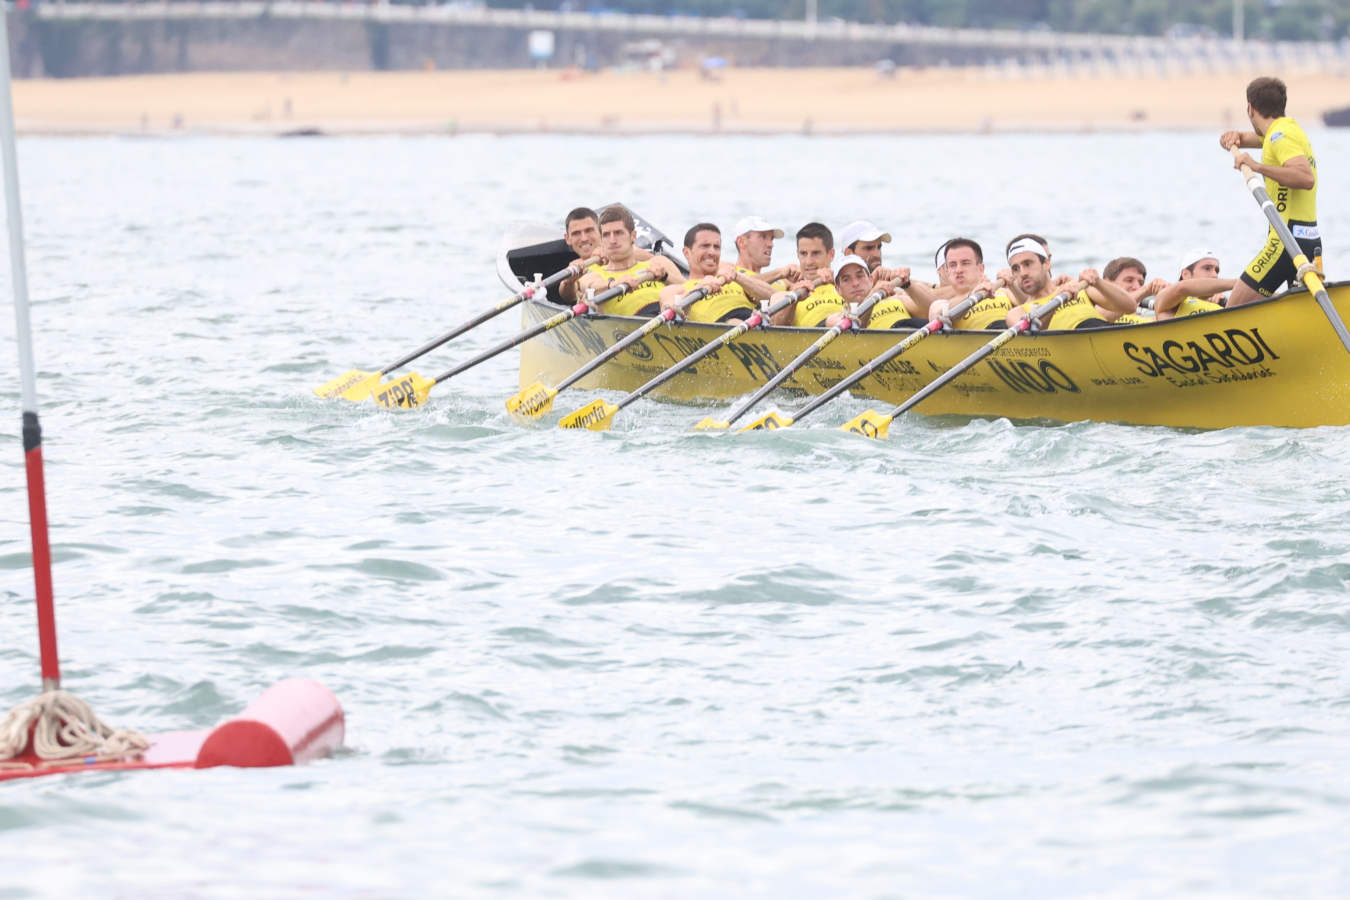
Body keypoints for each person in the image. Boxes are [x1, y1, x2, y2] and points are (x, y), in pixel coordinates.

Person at [1220, 76, 1321, 307]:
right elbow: (1254, 138)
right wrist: (1233, 136)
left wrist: (1255, 166)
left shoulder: (1279, 136)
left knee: (1232, 310)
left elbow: (1305, 178)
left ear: (1250, 108)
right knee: (1299, 316)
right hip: (1308, 240)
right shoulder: (1288, 129)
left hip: (1285, 242)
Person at [1002, 234, 1135, 329]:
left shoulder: (1077, 288)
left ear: (1047, 264)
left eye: (1028, 264)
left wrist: (1099, 283)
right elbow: (1032, 330)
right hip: (1080, 341)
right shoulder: (1017, 313)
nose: (1023, 273)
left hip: (1104, 330)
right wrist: (1056, 299)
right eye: (1016, 269)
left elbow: (1130, 306)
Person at [574, 205, 681, 317]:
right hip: (631, 325)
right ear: (601, 240)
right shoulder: (593, 272)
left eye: (618, 233)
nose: (612, 240)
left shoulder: (658, 263)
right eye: (606, 235)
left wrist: (665, 277)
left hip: (668, 316)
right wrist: (614, 285)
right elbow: (590, 285)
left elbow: (688, 287)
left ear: (633, 236)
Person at [657, 223, 774, 323]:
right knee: (734, 322)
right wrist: (698, 289)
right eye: (705, 246)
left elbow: (775, 298)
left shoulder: (735, 280)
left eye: (717, 247)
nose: (712, 252)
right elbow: (670, 313)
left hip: (754, 320)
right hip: (721, 328)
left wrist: (738, 277)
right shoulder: (676, 289)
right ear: (687, 253)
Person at [925, 238, 1013, 330]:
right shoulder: (939, 304)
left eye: (965, 263)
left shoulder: (1003, 292)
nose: (958, 270)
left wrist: (1013, 282)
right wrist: (972, 295)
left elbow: (1026, 302)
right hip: (980, 340)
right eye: (953, 265)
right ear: (947, 272)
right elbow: (941, 313)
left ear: (981, 268)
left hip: (1012, 334)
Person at [770, 222, 846, 327]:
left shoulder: (847, 285)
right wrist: (794, 298)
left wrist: (840, 281)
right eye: (803, 254)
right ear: (797, 254)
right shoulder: (787, 291)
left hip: (849, 329)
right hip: (813, 336)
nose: (808, 261)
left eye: (816, 253)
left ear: (831, 255)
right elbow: (776, 326)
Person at [1152, 250, 1234, 321]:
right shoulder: (1166, 300)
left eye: (1216, 270)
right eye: (1207, 268)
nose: (1215, 275)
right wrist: (1239, 283)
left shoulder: (1221, 304)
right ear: (1186, 274)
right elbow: (1182, 288)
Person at [732, 216, 800, 287]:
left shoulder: (782, 281)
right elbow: (746, 284)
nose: (771, 244)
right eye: (763, 237)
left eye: (771, 238)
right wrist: (780, 273)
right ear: (741, 242)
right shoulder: (728, 274)